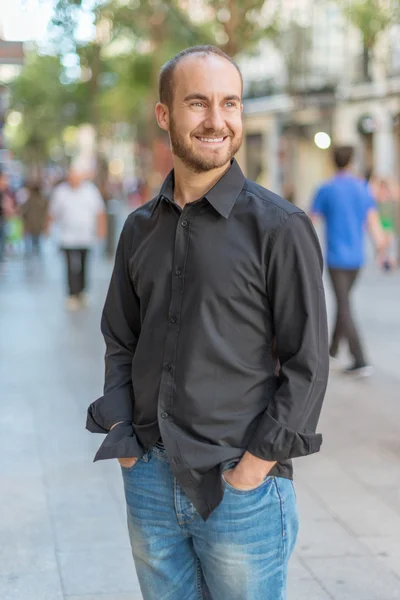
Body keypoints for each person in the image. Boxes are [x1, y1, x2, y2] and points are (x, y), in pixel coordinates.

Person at [86, 45, 329, 600]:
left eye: (230, 103)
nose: (217, 120)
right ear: (165, 114)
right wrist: (128, 446)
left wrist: (253, 472)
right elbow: (120, 339)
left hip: (238, 491)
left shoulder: (280, 227)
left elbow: (308, 363)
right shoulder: (138, 229)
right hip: (149, 477)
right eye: (198, 103)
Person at [311, 146, 386, 376]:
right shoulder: (362, 188)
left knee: (344, 306)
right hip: (357, 259)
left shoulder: (326, 188)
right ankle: (332, 350)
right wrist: (381, 246)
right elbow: (373, 221)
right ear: (352, 160)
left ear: (333, 161)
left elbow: (310, 221)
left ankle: (360, 359)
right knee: (344, 303)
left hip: (336, 258)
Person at [49, 167, 107, 311]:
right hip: (67, 237)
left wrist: (101, 230)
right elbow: (53, 212)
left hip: (86, 237)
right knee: (69, 266)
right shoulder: (60, 192)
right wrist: (48, 229)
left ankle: (82, 292)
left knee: (84, 264)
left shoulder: (91, 191)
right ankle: (71, 293)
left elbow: (100, 211)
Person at [21, 182, 49, 257]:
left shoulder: (29, 200)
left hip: (31, 224)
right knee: (37, 241)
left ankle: (32, 255)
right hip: (39, 224)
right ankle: (36, 255)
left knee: (31, 241)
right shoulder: (43, 200)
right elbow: (47, 212)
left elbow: (24, 211)